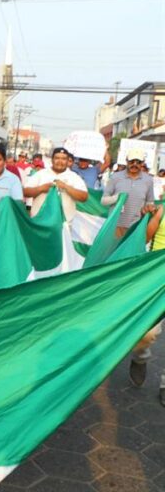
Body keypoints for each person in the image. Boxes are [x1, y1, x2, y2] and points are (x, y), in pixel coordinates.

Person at [131, 204, 165, 406]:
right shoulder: (161, 210)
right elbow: (143, 239)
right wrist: (147, 218)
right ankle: (141, 356)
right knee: (147, 332)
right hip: (156, 281)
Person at [23, 147, 88, 222]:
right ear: (52, 160)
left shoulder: (74, 177)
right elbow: (25, 192)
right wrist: (41, 189)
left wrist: (65, 187)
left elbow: (84, 197)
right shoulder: (41, 174)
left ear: (67, 161)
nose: (60, 161)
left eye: (64, 159)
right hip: (39, 221)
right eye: (57, 158)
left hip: (63, 224)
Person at [103, 148, 154, 238]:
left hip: (135, 227)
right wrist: (117, 198)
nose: (134, 164)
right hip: (115, 225)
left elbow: (150, 201)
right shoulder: (115, 177)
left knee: (130, 252)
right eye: (131, 161)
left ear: (143, 163)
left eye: (138, 162)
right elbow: (103, 200)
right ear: (126, 161)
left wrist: (149, 207)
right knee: (113, 251)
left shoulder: (148, 180)